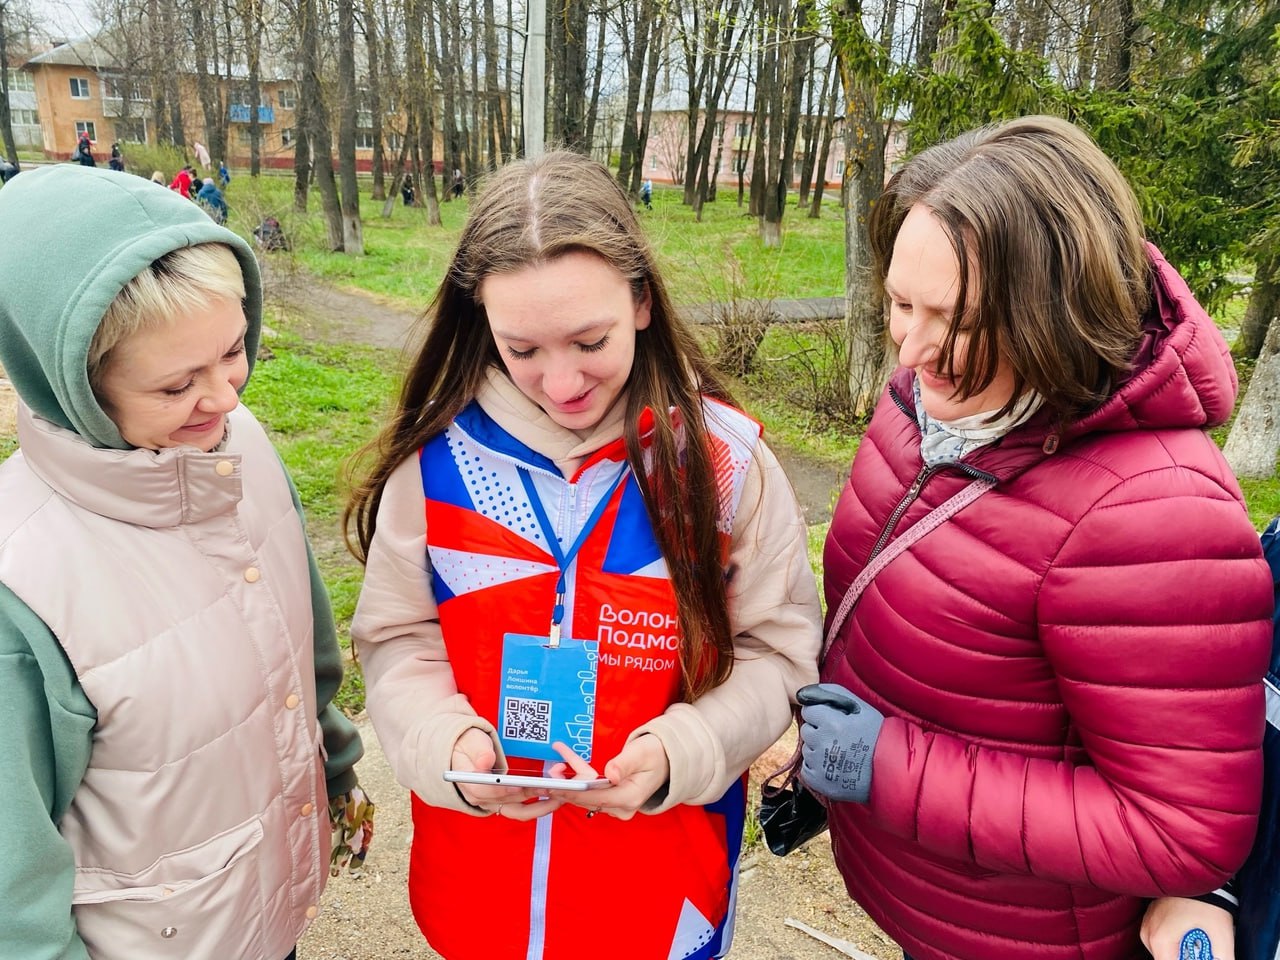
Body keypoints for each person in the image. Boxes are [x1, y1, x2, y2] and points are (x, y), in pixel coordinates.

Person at [797, 114, 1274, 960]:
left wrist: (889, 767)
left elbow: (1181, 832)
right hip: (931, 901)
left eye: (951, 317)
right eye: (900, 303)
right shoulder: (941, 397)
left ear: (1056, 309)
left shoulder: (1156, 514)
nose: (908, 347)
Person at [345, 149, 821, 960]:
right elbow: (398, 642)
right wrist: (448, 751)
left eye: (589, 340)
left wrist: (681, 752)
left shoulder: (725, 463)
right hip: (475, 901)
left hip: (659, 904)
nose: (561, 381)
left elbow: (776, 656)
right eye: (521, 349)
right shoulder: (434, 461)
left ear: (640, 301)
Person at [0, 165, 373, 960]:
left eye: (234, 351)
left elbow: (300, 643)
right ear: (73, 385)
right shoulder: (19, 586)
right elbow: (10, 874)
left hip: (258, 915)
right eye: (176, 385)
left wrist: (334, 759)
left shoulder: (239, 450)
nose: (226, 397)